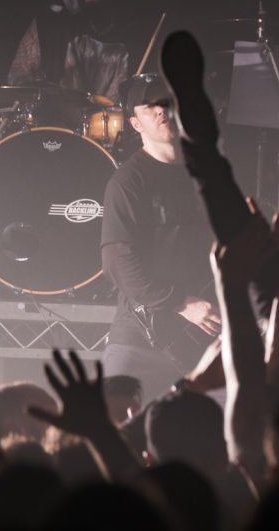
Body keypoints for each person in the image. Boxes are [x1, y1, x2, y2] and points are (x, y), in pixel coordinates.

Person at [100, 74, 220, 400]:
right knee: (110, 425)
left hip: (202, 340)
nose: (161, 109)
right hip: (143, 338)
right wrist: (181, 303)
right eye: (149, 105)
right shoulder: (127, 182)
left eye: (166, 101)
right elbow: (117, 264)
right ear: (135, 124)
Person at [7, 0, 144, 105]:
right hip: (55, 118)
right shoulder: (48, 27)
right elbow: (17, 79)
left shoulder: (135, 32)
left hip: (111, 120)